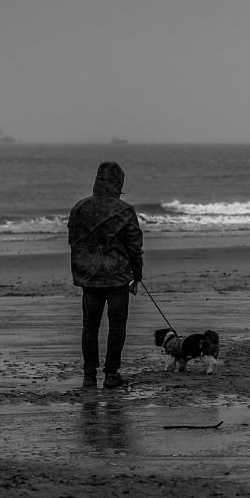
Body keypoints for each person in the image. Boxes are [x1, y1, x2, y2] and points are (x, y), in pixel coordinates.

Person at [68, 161, 144, 389]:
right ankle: (111, 375)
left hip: (89, 277)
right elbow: (134, 246)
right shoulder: (125, 210)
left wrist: (82, 268)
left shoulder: (79, 208)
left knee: (89, 327)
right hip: (117, 276)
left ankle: (89, 376)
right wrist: (137, 275)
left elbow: (74, 242)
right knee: (117, 326)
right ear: (118, 185)